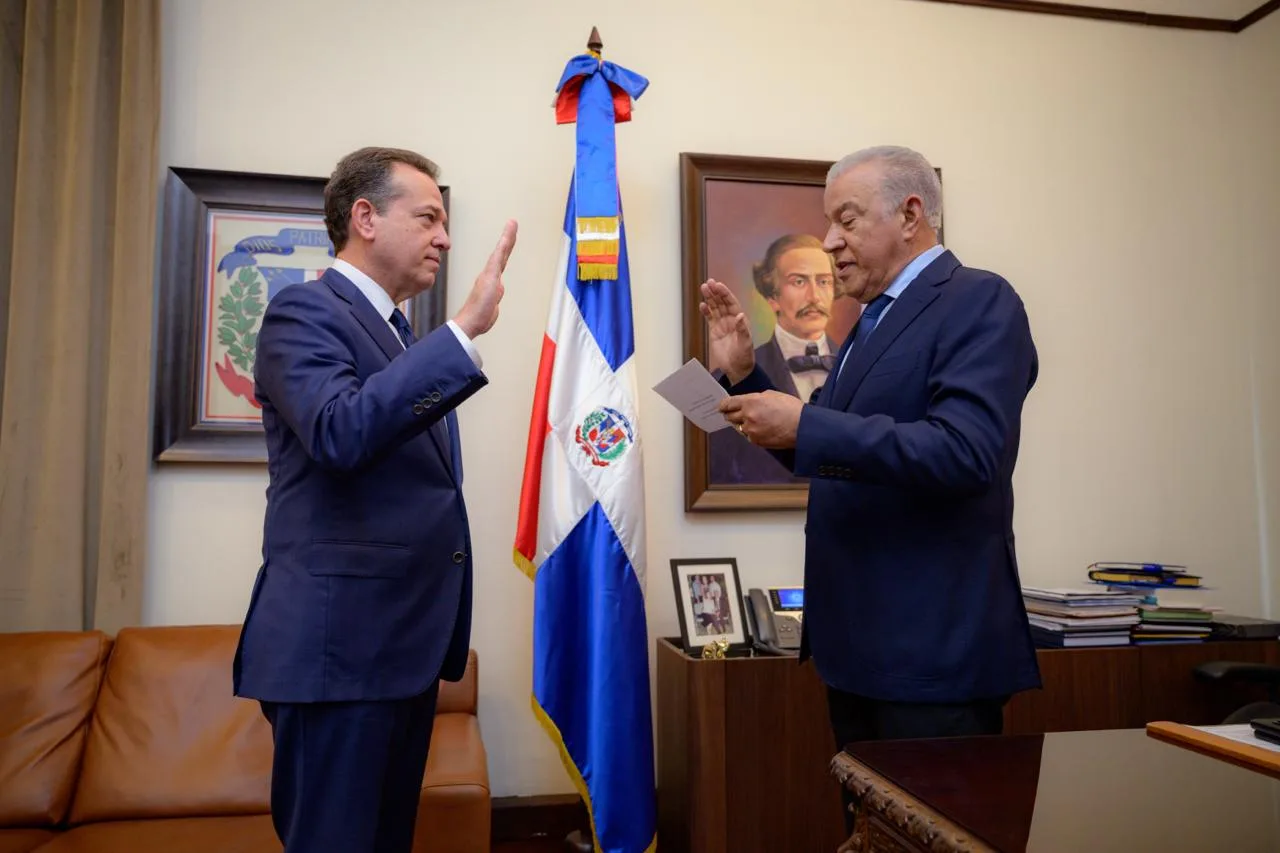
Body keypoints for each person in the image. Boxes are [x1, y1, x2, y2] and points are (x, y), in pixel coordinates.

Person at [701, 145, 1041, 822]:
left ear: (910, 214)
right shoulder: (869, 323)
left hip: (932, 661)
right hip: (857, 653)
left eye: (846, 220)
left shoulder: (978, 300)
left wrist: (806, 422)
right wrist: (743, 375)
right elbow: (824, 451)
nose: (830, 241)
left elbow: (966, 452)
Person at [232, 146, 517, 853]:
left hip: (398, 652)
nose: (443, 238)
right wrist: (462, 332)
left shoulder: (396, 335)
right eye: (428, 218)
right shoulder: (302, 311)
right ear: (365, 218)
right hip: (339, 656)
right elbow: (340, 431)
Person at [708, 234, 841, 485]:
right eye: (799, 281)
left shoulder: (857, 364)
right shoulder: (729, 379)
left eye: (824, 281)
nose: (814, 296)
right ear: (772, 297)